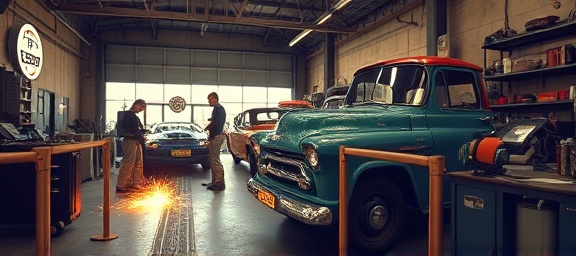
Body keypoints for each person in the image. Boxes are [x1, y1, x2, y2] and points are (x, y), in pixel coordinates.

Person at [115, 99, 148, 193]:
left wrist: (142, 133)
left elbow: (136, 128)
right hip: (130, 141)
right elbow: (131, 129)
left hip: (135, 140)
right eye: (141, 108)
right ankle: (121, 184)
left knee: (138, 162)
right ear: (137, 104)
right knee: (129, 162)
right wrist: (140, 136)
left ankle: (134, 182)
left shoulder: (133, 116)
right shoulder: (128, 115)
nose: (140, 110)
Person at [202, 92, 227, 191]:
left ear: (215, 99)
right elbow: (215, 120)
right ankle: (214, 182)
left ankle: (220, 183)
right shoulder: (217, 109)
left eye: (210, 99)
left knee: (215, 160)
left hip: (217, 137)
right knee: (212, 160)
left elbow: (216, 123)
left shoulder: (218, 108)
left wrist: (207, 128)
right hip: (215, 136)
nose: (209, 101)